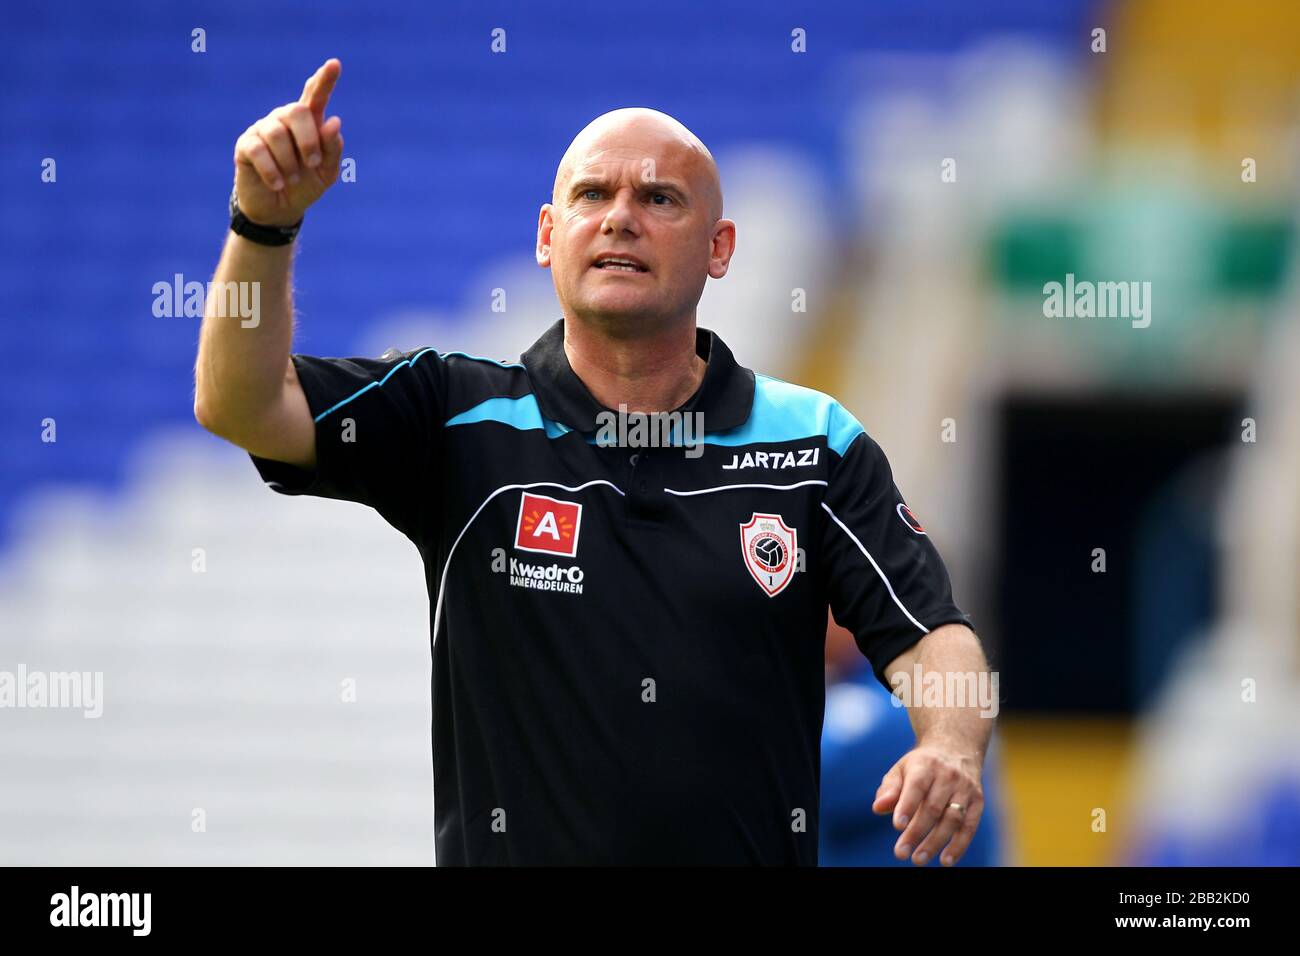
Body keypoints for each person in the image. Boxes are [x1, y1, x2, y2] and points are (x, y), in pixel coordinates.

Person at [193, 58, 996, 866]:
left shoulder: (813, 443)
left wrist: (953, 746)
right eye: (592, 195)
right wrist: (262, 226)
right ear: (548, 237)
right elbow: (240, 404)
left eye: (658, 199)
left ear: (720, 249)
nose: (620, 219)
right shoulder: (452, 413)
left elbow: (933, 634)